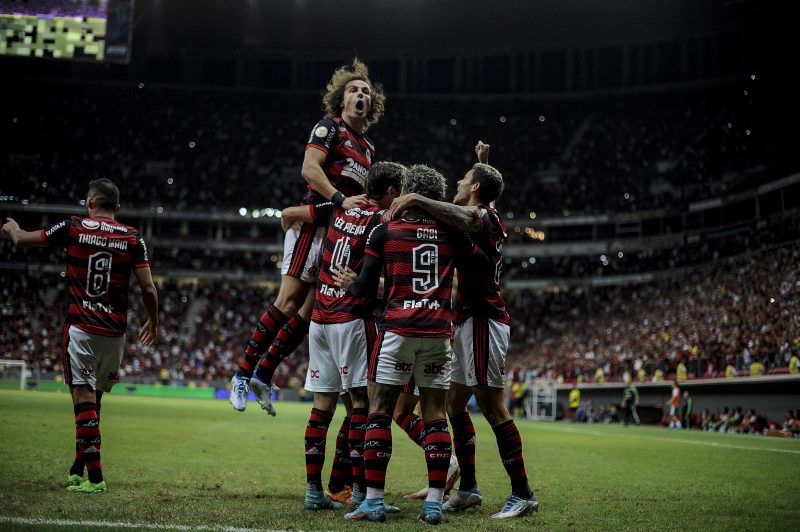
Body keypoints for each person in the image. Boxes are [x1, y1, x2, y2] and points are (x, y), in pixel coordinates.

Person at [384, 145, 539, 519]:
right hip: (466, 321)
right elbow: (478, 203)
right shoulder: (485, 212)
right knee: (452, 406)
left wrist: (417, 196)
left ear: (474, 190)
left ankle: (523, 493)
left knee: (491, 405)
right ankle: (468, 487)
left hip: (485, 320)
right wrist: (482, 166)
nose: (457, 180)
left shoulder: (482, 217)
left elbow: (472, 215)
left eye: (465, 179)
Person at [334, 164, 491, 524]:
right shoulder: (452, 234)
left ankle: (372, 502)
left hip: (398, 330)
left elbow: (362, 294)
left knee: (380, 411)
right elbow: (482, 266)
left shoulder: (385, 231)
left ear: (407, 192)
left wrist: (351, 282)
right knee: (435, 415)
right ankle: (434, 503)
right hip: (437, 332)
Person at [229, 58, 385, 414]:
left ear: (371, 103)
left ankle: (264, 374)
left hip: (336, 233)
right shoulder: (328, 128)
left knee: (310, 312)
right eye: (353, 90)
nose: (360, 95)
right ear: (341, 100)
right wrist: (341, 200)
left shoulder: (369, 148)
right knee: (287, 303)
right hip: (313, 228)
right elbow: (309, 169)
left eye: (365, 91)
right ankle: (241, 374)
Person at [2, 178, 158, 493]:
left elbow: (22, 241)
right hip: (114, 333)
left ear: (89, 203)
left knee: (83, 400)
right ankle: (77, 469)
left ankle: (96, 478)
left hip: (82, 327)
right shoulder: (133, 238)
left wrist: (12, 227)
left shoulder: (74, 227)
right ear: (118, 207)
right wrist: (153, 322)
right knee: (93, 401)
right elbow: (149, 289)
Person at [280, 162, 404, 511]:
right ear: (392, 190)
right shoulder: (381, 221)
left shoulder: (342, 206)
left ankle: (313, 492)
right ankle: (364, 494)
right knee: (363, 407)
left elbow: (299, 214)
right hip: (351, 319)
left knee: (322, 409)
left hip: (320, 318)